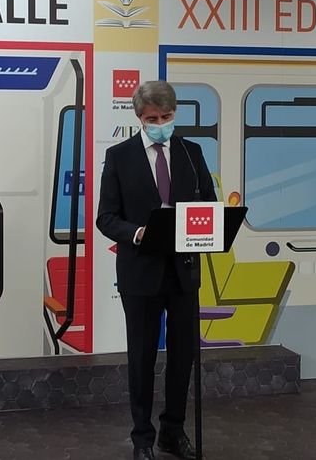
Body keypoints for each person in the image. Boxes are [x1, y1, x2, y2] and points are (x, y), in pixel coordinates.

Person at [97, 81, 216, 460]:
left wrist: (209, 224)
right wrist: (137, 233)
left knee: (183, 358)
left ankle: (172, 431)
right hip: (140, 274)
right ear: (139, 118)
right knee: (142, 359)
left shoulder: (191, 152)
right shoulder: (120, 156)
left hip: (183, 272)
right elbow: (106, 218)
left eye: (166, 117)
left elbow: (209, 207)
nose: (161, 124)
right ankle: (142, 439)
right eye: (153, 118)